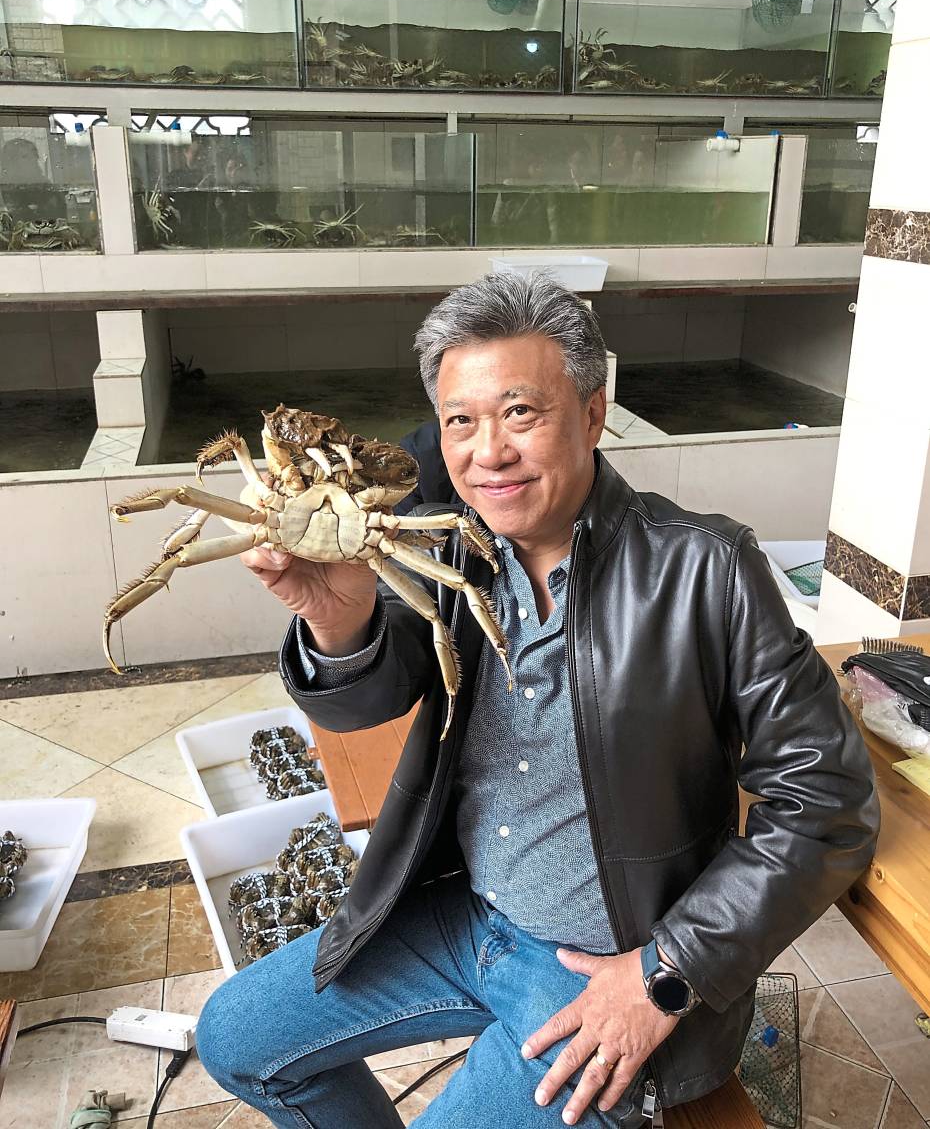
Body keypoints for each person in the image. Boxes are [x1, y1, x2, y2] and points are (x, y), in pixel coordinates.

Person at [197, 271, 879, 1128]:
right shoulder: (449, 549)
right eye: (460, 422)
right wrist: (335, 622)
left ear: (593, 412)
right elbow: (356, 708)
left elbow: (828, 804)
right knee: (234, 1039)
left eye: (521, 412)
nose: (489, 452)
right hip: (464, 914)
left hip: (606, 961)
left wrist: (664, 974)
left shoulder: (704, 569)